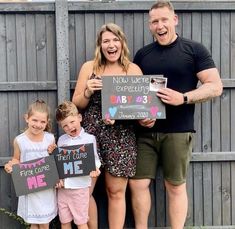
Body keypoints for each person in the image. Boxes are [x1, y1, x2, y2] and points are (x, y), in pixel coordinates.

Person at [128, 1, 223, 229]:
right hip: (145, 132)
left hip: (179, 131)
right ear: (149, 26)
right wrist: (139, 116)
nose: (159, 25)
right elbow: (133, 93)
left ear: (174, 20)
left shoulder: (194, 50)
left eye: (164, 20)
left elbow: (215, 86)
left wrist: (184, 98)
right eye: (154, 21)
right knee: (137, 185)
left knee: (175, 186)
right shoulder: (142, 55)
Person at [72, 23, 142, 229]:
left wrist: (123, 117)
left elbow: (142, 107)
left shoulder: (133, 70)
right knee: (84, 190)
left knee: (116, 191)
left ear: (122, 43)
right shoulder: (89, 67)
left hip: (121, 136)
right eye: (106, 41)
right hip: (91, 134)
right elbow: (77, 104)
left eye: (115, 40)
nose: (111, 45)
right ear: (100, 45)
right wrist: (87, 91)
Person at [4, 99, 57, 229]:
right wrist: (11, 166)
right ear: (27, 118)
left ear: (47, 122)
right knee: (33, 223)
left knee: (45, 223)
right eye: (34, 120)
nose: (38, 124)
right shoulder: (20, 140)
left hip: (46, 188)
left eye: (42, 122)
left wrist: (54, 151)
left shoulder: (50, 138)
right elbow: (17, 159)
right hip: (29, 187)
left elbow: (54, 160)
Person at [50, 101, 101, 229]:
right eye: (65, 125)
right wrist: (53, 152)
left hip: (80, 188)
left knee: (81, 222)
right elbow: (58, 162)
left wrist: (95, 169)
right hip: (63, 189)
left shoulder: (89, 139)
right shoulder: (62, 140)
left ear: (79, 118)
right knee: (64, 221)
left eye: (72, 122)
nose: (69, 127)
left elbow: (95, 160)